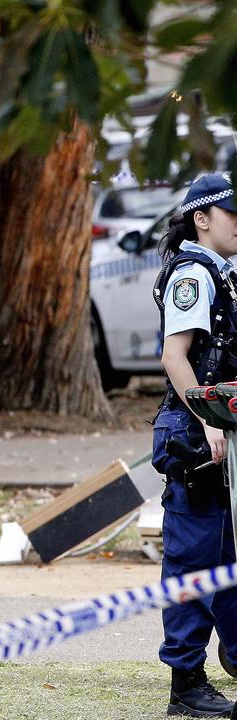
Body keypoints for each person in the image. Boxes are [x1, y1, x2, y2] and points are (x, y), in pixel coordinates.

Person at [149, 172, 237, 718]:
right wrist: (204, 415)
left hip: (222, 428)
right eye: (234, 214)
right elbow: (174, 355)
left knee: (229, 553)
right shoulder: (194, 275)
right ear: (202, 219)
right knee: (196, 558)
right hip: (194, 432)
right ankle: (186, 685)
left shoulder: (225, 275)